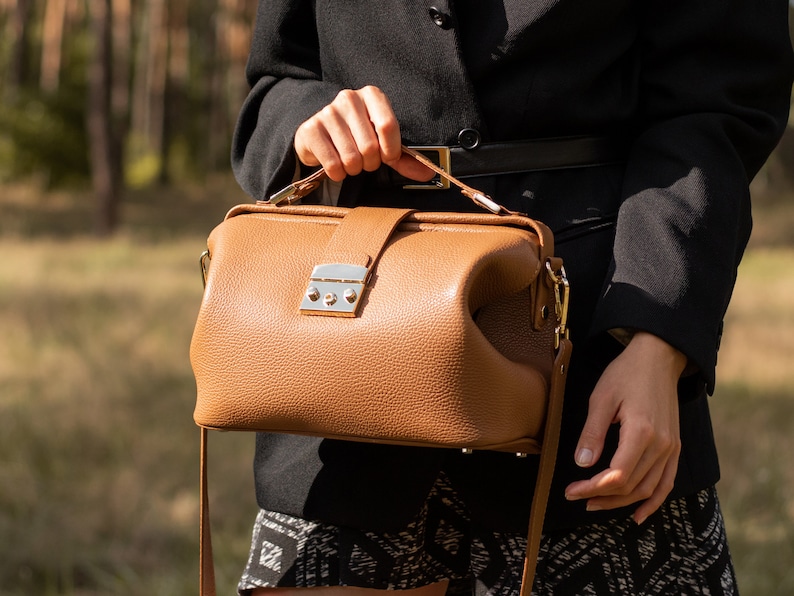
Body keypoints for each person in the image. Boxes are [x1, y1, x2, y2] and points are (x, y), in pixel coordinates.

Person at [230, 1, 794, 594]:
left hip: (589, 366)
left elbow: (717, 105)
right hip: (348, 365)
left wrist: (657, 340)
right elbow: (276, 84)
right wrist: (307, 121)